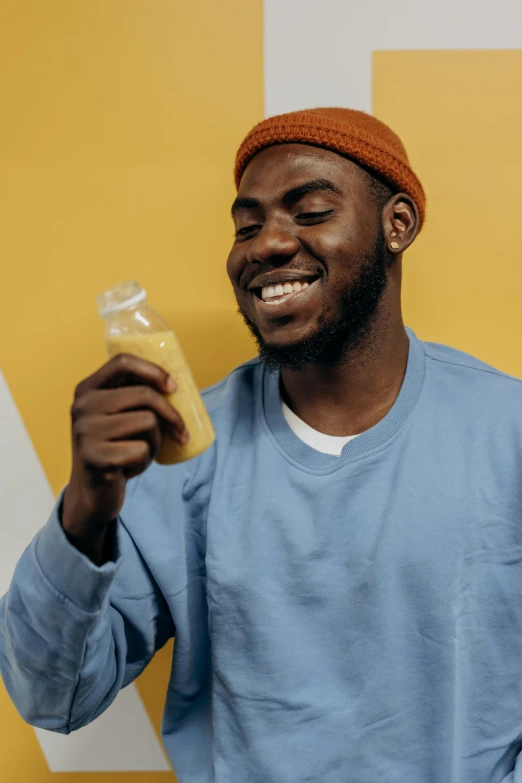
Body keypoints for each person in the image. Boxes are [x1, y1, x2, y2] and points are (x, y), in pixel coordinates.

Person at [1, 107, 522, 783]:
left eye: (309, 212)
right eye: (247, 225)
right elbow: (52, 694)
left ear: (399, 224)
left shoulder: (506, 431)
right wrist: (86, 514)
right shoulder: (183, 452)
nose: (265, 245)